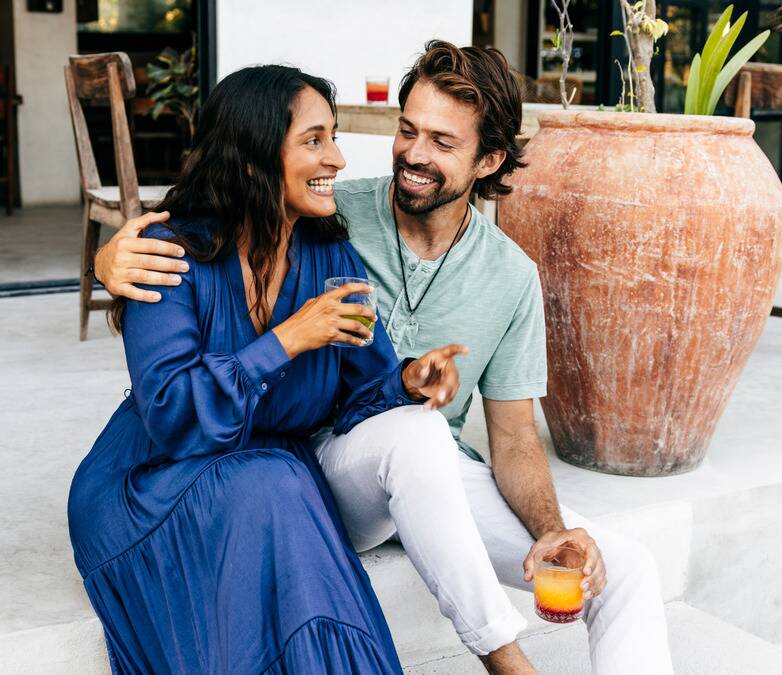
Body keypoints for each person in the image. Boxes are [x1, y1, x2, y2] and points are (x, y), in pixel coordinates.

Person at [95, 42, 674, 674]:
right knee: (414, 435)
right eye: (407, 132)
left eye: (443, 143)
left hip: (430, 476)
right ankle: (506, 661)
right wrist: (109, 261)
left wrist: (549, 525)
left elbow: (512, 438)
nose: (413, 155)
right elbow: (216, 213)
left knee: (628, 569)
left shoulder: (505, 275)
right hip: (325, 466)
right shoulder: (333, 212)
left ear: (490, 160)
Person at [67, 64, 470, 674]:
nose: (336, 157)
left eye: (333, 136)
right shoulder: (170, 256)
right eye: (314, 140)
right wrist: (285, 340)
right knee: (279, 485)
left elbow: (360, 397)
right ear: (254, 160)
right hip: (150, 485)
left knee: (283, 485)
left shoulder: (328, 253)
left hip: (266, 484)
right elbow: (173, 420)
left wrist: (406, 380)